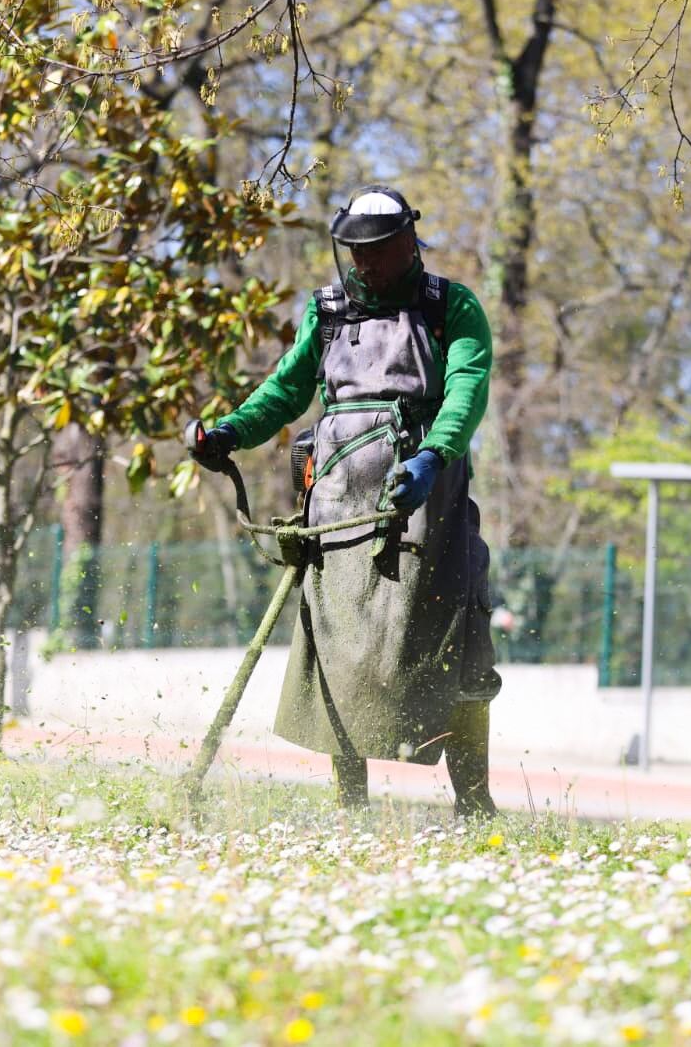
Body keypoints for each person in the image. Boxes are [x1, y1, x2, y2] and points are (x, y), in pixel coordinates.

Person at [188, 184, 502, 818]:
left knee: (457, 639)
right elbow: (286, 390)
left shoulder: (452, 306)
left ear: (409, 241)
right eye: (356, 252)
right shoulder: (327, 311)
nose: (367, 264)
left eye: (380, 250)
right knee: (339, 644)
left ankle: (475, 803)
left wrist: (432, 456)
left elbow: (466, 388)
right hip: (336, 508)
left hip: (427, 505)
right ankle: (349, 808)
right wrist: (230, 433)